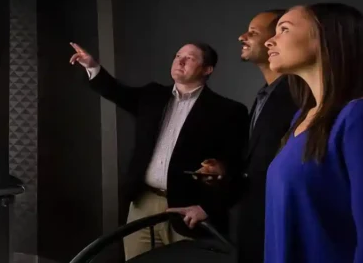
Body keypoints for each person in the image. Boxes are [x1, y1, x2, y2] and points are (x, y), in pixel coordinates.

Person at [68, 42, 247, 260]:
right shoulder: (152, 95)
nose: (180, 61)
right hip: (143, 204)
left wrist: (207, 209)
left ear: (207, 69)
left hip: (190, 211)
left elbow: (236, 169)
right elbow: (116, 92)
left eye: (190, 58)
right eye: (178, 55)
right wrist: (92, 65)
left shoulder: (228, 111)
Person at [170, 10, 299, 262]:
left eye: (253, 32)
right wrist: (224, 171)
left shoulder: (299, 97)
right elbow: (257, 165)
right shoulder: (265, 95)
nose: (242, 37)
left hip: (278, 232)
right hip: (253, 229)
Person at [263, 3, 363, 263]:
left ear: (325, 36)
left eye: (284, 29)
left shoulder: (361, 116)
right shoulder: (300, 118)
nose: (269, 41)